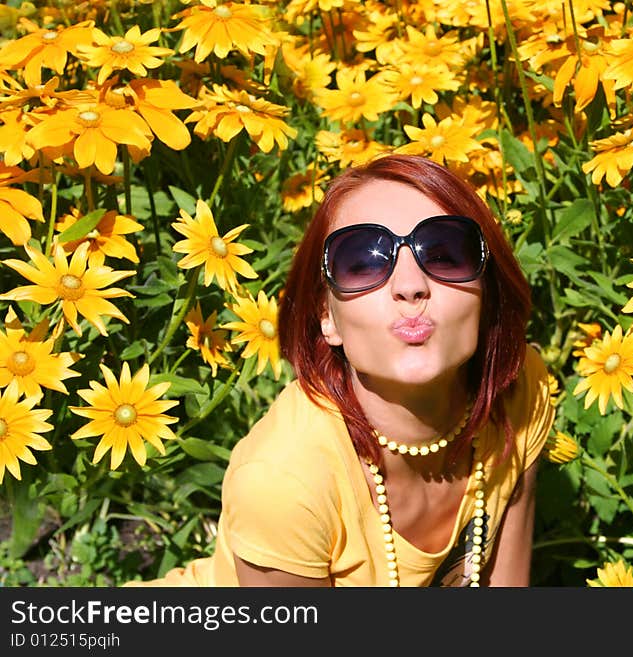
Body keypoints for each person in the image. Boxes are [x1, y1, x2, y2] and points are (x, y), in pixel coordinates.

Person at [126, 153, 555, 587]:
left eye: (444, 254)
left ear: (487, 290)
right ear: (326, 317)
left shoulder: (520, 392)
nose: (410, 286)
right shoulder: (283, 480)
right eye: (363, 262)